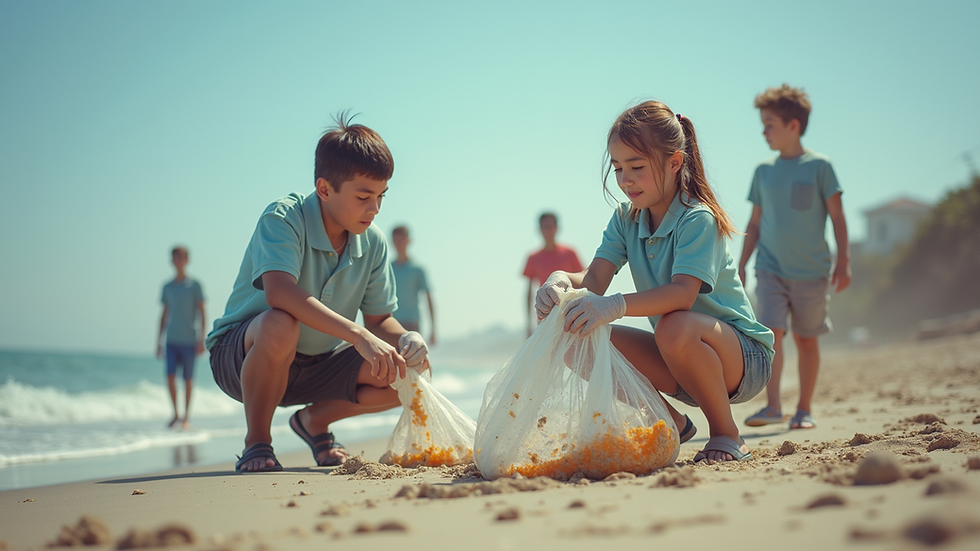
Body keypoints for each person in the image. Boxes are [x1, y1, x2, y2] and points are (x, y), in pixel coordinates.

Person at [535, 101, 774, 462]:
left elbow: (683, 293)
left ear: (675, 162)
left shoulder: (698, 219)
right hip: (677, 359)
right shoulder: (626, 218)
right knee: (574, 335)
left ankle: (727, 433)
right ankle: (669, 420)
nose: (625, 179)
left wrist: (614, 306)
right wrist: (560, 280)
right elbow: (595, 277)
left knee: (674, 325)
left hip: (742, 359)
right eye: (617, 168)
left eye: (637, 167)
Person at [206, 114, 430, 472]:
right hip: (244, 356)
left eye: (380, 196)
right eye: (363, 196)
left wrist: (407, 339)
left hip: (317, 367)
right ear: (324, 189)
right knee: (281, 325)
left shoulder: (373, 242)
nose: (374, 209)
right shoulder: (283, 218)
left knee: (406, 370)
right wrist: (359, 336)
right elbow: (280, 293)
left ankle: (314, 422)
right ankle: (257, 442)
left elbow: (379, 320)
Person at [738, 84, 851, 431]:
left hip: (811, 272)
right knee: (772, 333)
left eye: (769, 124)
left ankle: (803, 409)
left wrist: (844, 261)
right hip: (770, 268)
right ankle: (773, 406)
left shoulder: (820, 166)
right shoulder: (763, 172)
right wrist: (741, 263)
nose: (763, 131)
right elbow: (755, 223)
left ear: (793, 126)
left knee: (806, 338)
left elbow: (838, 216)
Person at [156, 246, 205, 429]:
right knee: (169, 377)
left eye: (182, 257)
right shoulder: (167, 287)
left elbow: (202, 312)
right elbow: (164, 315)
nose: (178, 260)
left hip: (190, 340)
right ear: (172, 260)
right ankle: (175, 414)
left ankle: (186, 417)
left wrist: (201, 339)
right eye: (175, 257)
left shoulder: (195, 285)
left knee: (188, 380)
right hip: (171, 340)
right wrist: (159, 342)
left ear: (187, 260)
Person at [522, 213, 583, 336]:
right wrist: (528, 324)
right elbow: (529, 292)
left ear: (557, 228)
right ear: (539, 230)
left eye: (550, 226)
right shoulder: (533, 257)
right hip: (545, 317)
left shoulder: (570, 253)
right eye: (545, 227)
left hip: (570, 314)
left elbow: (583, 281)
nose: (548, 231)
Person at [390, 226, 436, 345]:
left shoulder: (417, 269)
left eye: (402, 240)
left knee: (413, 362)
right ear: (392, 242)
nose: (399, 244)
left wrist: (433, 329)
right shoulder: (387, 268)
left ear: (408, 241)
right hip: (390, 323)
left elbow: (428, 298)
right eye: (396, 240)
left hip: (412, 324)